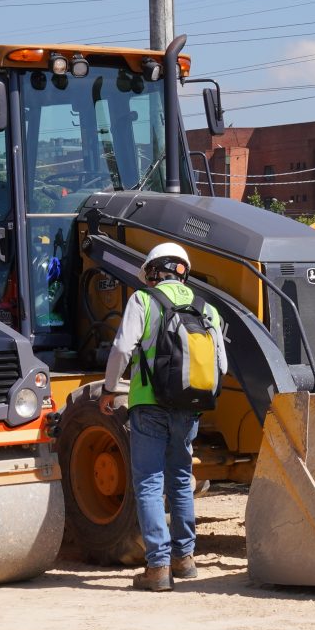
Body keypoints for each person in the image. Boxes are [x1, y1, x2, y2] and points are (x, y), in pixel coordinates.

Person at [101, 241, 228, 592]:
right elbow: (223, 365)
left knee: (149, 484)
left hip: (149, 405)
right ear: (183, 271)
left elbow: (123, 347)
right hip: (189, 408)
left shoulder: (143, 300)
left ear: (154, 272)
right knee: (180, 480)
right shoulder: (207, 309)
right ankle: (184, 560)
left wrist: (111, 389)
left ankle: (157, 568)